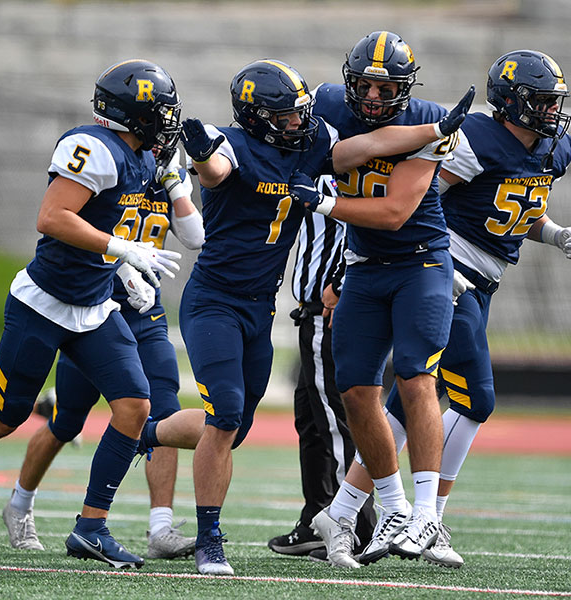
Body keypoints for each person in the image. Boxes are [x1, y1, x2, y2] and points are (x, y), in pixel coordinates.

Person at [174, 58, 471, 575]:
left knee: (236, 424)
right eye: (287, 115)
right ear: (258, 116)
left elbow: (367, 146)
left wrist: (438, 128)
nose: (300, 121)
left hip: (259, 307)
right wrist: (199, 155)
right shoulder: (229, 142)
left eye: (301, 111)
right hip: (215, 300)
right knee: (226, 415)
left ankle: (148, 433)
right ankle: (210, 539)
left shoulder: (311, 144)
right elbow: (217, 170)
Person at [0, 59, 183, 571]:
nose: (168, 120)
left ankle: (91, 526)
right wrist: (122, 248)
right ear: (134, 114)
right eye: (159, 111)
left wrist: (123, 271)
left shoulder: (143, 156)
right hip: (44, 304)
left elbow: (106, 221)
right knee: (1, 417)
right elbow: (53, 219)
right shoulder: (94, 147)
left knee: (135, 407)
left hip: (95, 304)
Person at [381, 49, 571, 568]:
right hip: (451, 273)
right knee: (475, 399)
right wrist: (432, 264)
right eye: (540, 101)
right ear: (511, 102)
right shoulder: (477, 137)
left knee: (411, 399)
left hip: (482, 279)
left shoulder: (553, 148)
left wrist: (555, 233)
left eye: (553, 101)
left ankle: (348, 509)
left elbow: (516, 209)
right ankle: (427, 518)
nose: (550, 112)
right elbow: (418, 197)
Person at [288, 31, 473, 567]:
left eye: (385, 86)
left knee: (416, 376)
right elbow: (337, 154)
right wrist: (408, 137)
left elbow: (394, 212)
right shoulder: (325, 103)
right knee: (355, 391)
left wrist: (328, 202)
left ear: (405, 87)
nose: (372, 96)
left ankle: (426, 516)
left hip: (421, 262)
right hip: (364, 268)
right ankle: (388, 507)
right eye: (364, 85)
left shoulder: (433, 116)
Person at [1, 144, 205, 559]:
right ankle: (19, 505)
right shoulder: (110, 166)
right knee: (67, 421)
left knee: (160, 410)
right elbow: (73, 229)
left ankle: (160, 527)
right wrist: (122, 266)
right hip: (91, 308)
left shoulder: (164, 171)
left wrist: (175, 184)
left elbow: (194, 237)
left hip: (145, 312)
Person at [267, 175, 376, 558]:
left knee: (334, 420)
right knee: (312, 421)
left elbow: (372, 227)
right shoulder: (317, 159)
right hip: (315, 310)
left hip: (331, 310)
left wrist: (341, 284)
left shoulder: (356, 169)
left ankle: (357, 524)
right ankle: (317, 516)